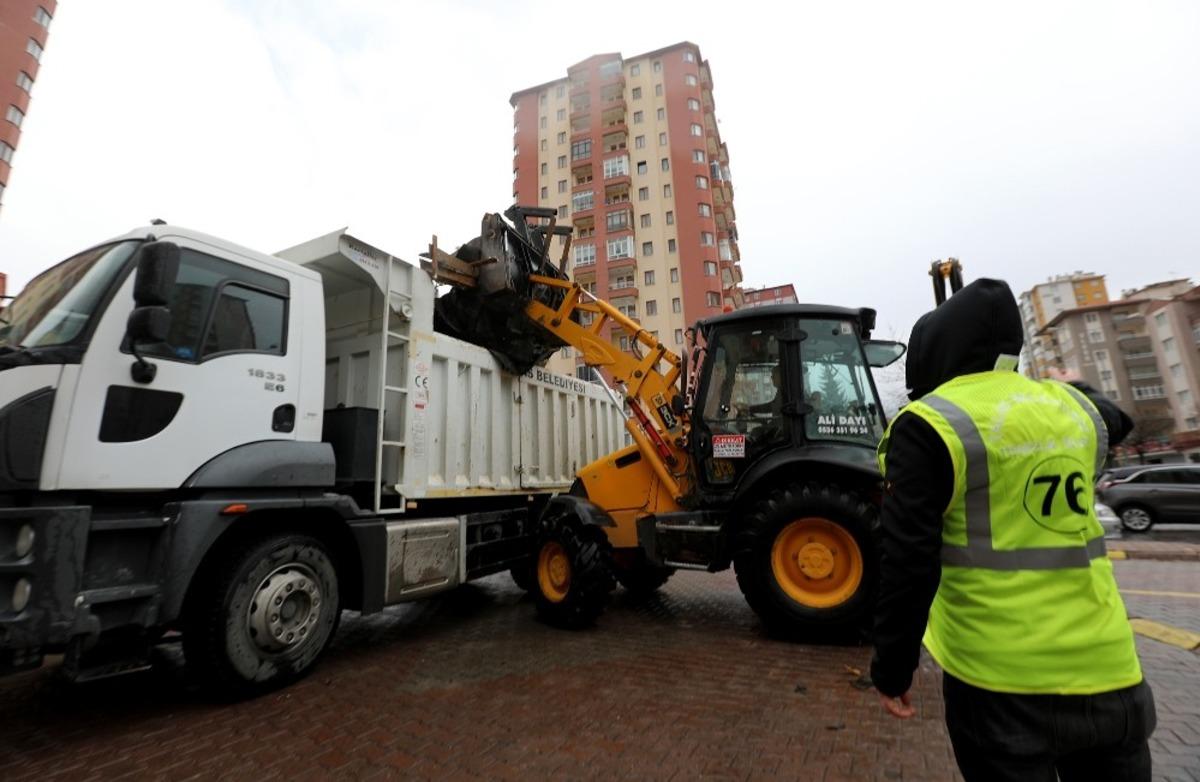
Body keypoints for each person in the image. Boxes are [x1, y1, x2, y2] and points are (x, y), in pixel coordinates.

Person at [871, 278, 1156, 781]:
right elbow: (1120, 419)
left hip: (999, 683)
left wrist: (893, 667)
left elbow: (908, 561)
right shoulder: (1074, 408)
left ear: (931, 352)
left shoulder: (929, 424)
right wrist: (1075, 385)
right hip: (1110, 674)